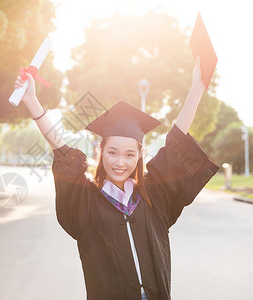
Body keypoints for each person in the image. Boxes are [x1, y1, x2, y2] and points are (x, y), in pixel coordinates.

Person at [13, 57, 219, 300]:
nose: (120, 162)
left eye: (129, 154)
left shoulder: (155, 196)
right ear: (102, 151)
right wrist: (32, 101)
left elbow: (176, 141)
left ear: (140, 155)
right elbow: (62, 151)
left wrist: (196, 88)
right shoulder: (86, 202)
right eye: (112, 152)